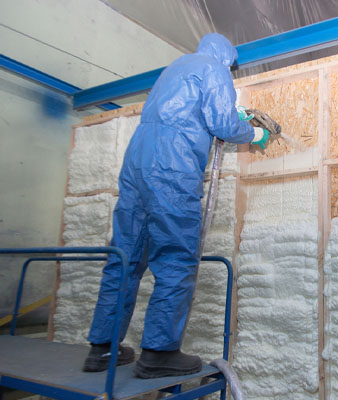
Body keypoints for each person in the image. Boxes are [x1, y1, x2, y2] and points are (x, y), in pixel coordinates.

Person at [82, 33, 268, 378]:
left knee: (125, 255)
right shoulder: (215, 70)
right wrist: (253, 133)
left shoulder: (176, 68)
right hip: (173, 164)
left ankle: (101, 348)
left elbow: (189, 111)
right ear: (227, 57)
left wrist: (231, 113)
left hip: (137, 161)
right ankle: (158, 354)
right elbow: (223, 124)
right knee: (175, 257)